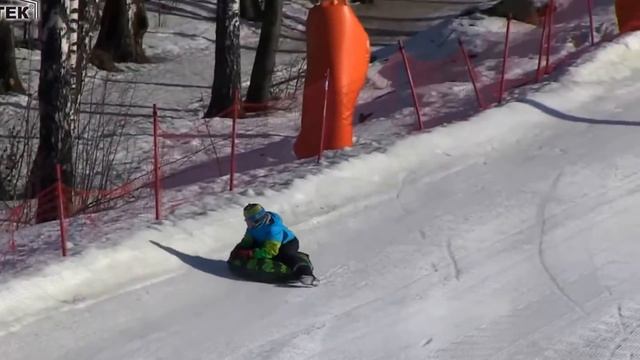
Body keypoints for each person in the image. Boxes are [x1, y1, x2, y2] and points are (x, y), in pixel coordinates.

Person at [233, 203, 317, 285]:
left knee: (285, 256)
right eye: (246, 220)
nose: (247, 223)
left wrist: (250, 254)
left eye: (249, 220)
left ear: (257, 219)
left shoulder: (273, 229)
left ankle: (305, 273)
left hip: (286, 243)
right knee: (251, 250)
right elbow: (248, 240)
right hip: (266, 243)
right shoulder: (252, 227)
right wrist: (240, 249)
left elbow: (271, 251)